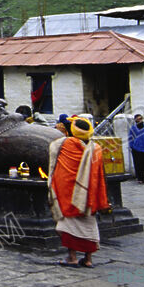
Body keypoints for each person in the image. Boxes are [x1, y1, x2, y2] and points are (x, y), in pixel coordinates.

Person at [48, 115, 111, 268]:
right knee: (89, 225)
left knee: (68, 226)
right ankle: (88, 259)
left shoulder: (62, 144)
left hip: (68, 193)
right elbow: (100, 174)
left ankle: (72, 257)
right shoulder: (96, 148)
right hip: (89, 194)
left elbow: (53, 163)